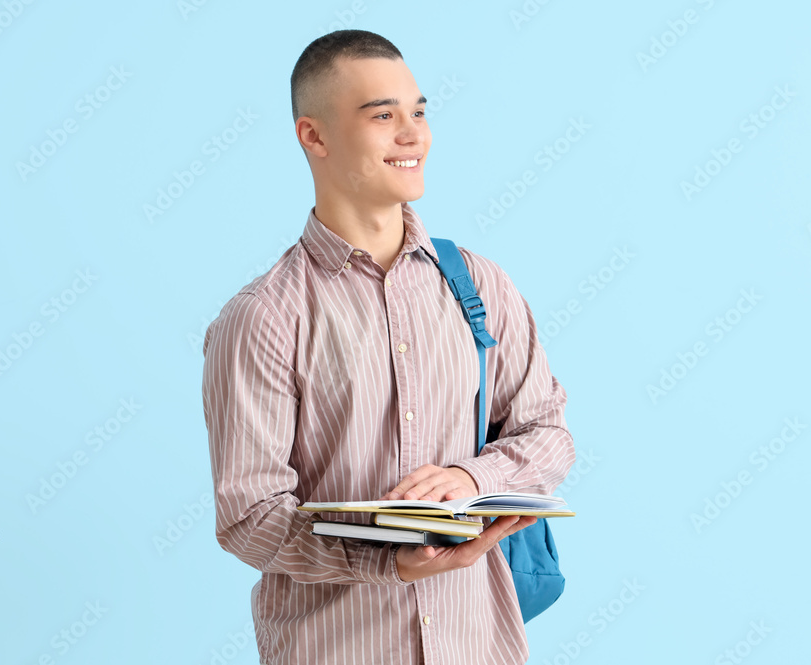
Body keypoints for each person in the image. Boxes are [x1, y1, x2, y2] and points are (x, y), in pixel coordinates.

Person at [201, 28, 575, 665]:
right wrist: (386, 561)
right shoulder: (263, 317)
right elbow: (249, 515)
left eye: (419, 112)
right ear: (313, 136)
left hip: (477, 645)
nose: (413, 135)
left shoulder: (478, 284)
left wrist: (470, 477)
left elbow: (548, 432)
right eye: (383, 116)